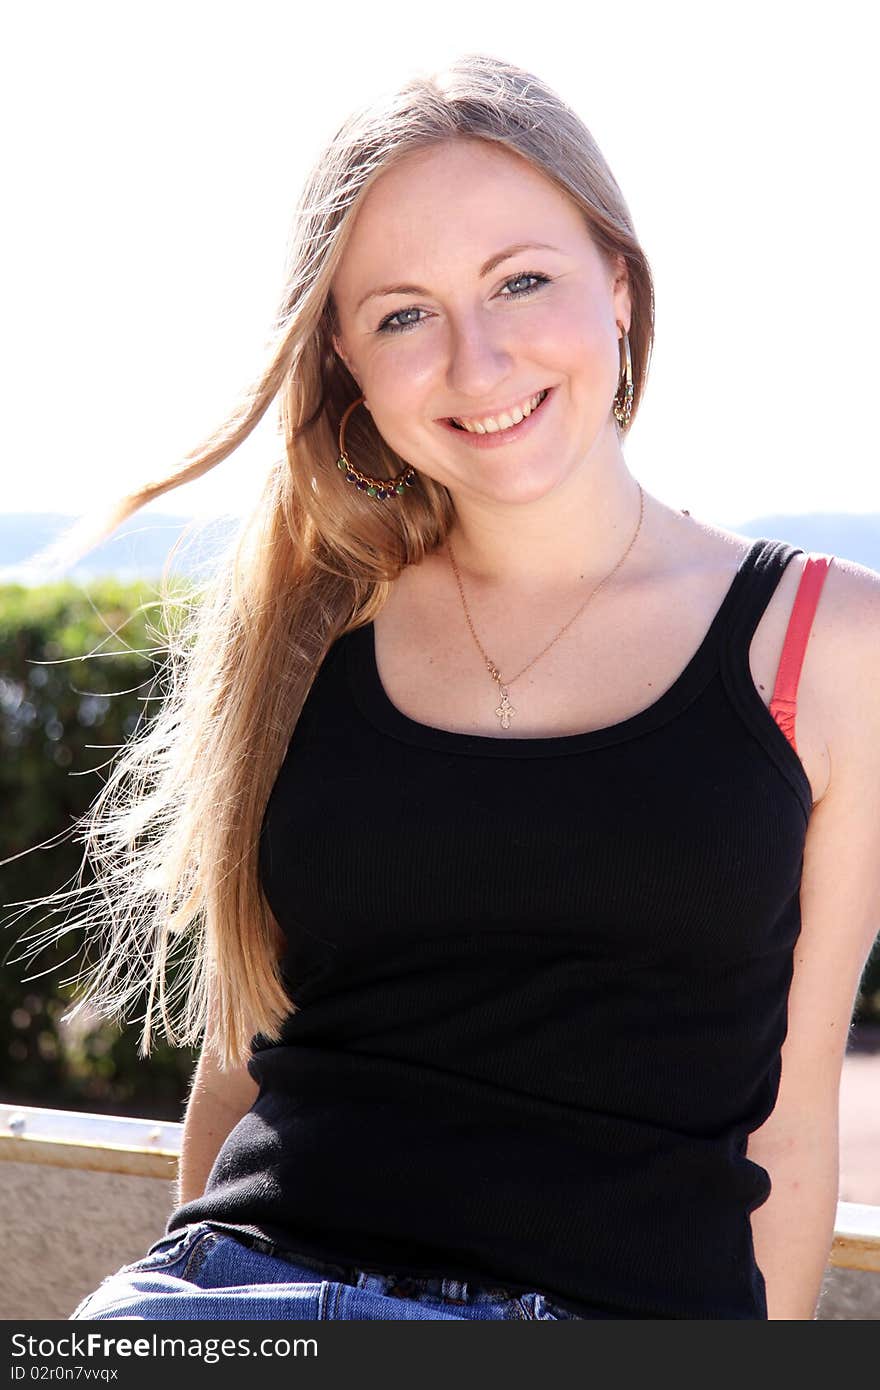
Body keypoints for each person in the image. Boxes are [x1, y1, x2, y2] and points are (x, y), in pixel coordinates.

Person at [20, 53, 880, 1321]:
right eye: (404, 314)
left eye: (521, 281)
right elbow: (243, 1059)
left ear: (622, 288)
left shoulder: (829, 640)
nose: (477, 364)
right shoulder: (308, 623)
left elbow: (794, 1113)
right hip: (238, 1294)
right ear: (347, 362)